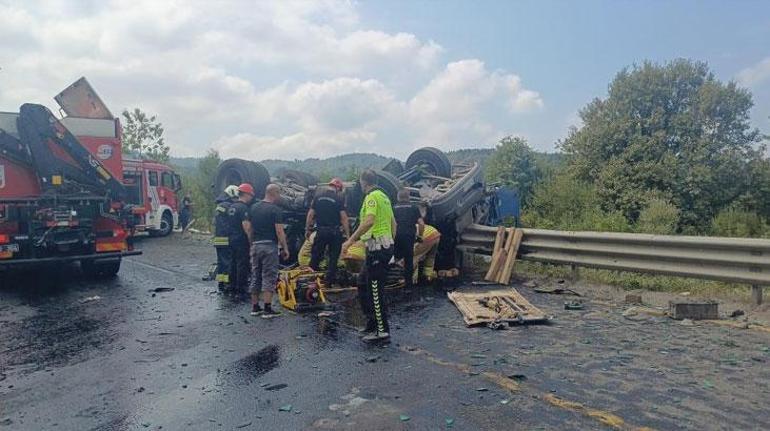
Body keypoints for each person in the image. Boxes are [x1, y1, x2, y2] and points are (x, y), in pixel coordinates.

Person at [342, 170, 396, 342]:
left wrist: (350, 240)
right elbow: (393, 223)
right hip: (381, 247)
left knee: (375, 289)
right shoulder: (385, 198)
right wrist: (390, 243)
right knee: (362, 283)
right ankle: (371, 323)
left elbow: (369, 220)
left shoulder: (371, 197)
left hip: (377, 248)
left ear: (363, 182)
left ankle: (382, 331)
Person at [244, 183, 289, 318]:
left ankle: (255, 307)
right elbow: (279, 231)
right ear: (274, 193)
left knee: (255, 275)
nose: (279, 196)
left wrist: (251, 244)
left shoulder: (253, 208)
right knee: (269, 276)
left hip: (256, 246)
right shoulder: (275, 210)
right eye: (279, 193)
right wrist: (285, 248)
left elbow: (249, 229)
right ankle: (268, 309)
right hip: (269, 246)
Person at [307, 178, 350, 286]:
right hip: (335, 232)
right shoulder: (338, 198)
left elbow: (310, 215)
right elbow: (344, 218)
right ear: (338, 188)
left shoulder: (317, 197)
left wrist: (307, 229)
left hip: (321, 231)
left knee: (315, 256)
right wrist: (348, 235)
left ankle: (309, 282)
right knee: (333, 258)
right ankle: (329, 283)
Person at [392, 189, 424, 290]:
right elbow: (421, 224)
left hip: (396, 236)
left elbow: (391, 223)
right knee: (408, 260)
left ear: (398, 197)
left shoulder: (393, 208)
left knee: (392, 258)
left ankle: (388, 281)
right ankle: (408, 287)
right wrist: (420, 236)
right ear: (408, 197)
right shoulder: (414, 208)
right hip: (409, 236)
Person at [228, 183, 254, 296]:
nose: (251, 198)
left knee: (233, 263)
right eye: (251, 195)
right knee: (242, 264)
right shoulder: (243, 208)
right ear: (246, 194)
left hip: (231, 239)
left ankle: (232, 286)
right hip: (241, 240)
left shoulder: (232, 207)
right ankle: (241, 289)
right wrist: (251, 242)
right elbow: (247, 227)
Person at [213, 185, 239, 291]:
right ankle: (228, 284)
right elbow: (231, 223)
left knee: (221, 262)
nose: (236, 199)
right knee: (228, 262)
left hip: (218, 239)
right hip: (225, 239)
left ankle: (221, 283)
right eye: (236, 197)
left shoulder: (220, 205)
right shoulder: (228, 206)